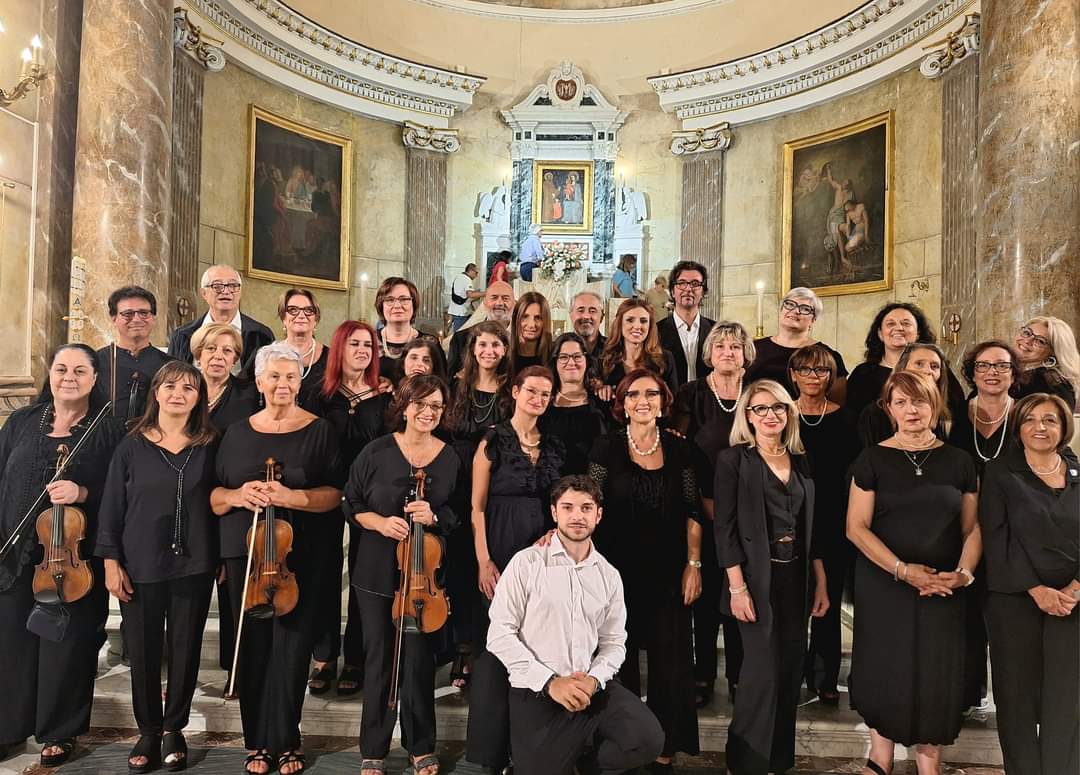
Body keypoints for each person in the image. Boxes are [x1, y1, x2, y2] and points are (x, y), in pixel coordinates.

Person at [211, 343, 343, 775]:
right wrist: (237, 494)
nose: (282, 384)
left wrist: (294, 497)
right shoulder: (236, 431)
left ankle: (287, 739)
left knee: (291, 649)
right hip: (245, 556)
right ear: (260, 381)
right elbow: (213, 496)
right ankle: (258, 743)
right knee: (252, 649)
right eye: (274, 376)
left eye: (291, 376)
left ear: (300, 381)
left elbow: (335, 496)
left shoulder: (320, 430)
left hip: (300, 556)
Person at [846, 370, 981, 775]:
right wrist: (904, 572)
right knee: (882, 667)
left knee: (937, 673)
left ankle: (929, 764)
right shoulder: (871, 458)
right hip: (885, 583)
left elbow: (972, 528)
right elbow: (855, 528)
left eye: (919, 401)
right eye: (900, 402)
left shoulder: (959, 461)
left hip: (943, 587)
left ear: (935, 405)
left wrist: (963, 573)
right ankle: (880, 759)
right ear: (888, 409)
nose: (911, 410)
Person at [486, 475, 665, 775]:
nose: (577, 516)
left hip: (589, 686)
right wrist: (550, 682)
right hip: (539, 692)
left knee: (647, 740)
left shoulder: (608, 575)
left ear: (599, 514)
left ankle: (583, 767)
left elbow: (614, 642)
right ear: (554, 513)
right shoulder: (526, 563)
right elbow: (498, 635)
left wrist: (594, 680)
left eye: (586, 508)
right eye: (568, 507)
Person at [0, 344, 122, 768]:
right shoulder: (21, 422)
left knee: (67, 644)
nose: (68, 377)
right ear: (49, 373)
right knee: (11, 642)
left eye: (80, 370)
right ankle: (9, 727)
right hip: (15, 553)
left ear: (94, 378)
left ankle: (59, 731)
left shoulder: (109, 429)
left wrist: (83, 492)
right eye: (61, 368)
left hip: (72, 557)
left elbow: (123, 493)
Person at [97, 361, 218, 772]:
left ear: (199, 397)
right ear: (156, 392)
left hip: (194, 562)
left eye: (188, 387)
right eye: (169, 386)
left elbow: (218, 503)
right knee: (145, 651)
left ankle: (174, 729)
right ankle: (148, 730)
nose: (178, 394)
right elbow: (112, 507)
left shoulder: (209, 442)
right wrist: (111, 563)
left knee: (185, 649)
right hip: (140, 561)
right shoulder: (131, 444)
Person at [344, 375, 460, 775]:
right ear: (404, 405)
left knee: (418, 662)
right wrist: (377, 521)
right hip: (376, 572)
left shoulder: (450, 457)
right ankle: (373, 747)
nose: (428, 413)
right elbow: (351, 502)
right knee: (379, 659)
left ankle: (420, 745)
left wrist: (436, 516)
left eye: (436, 407)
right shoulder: (376, 451)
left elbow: (460, 513)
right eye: (421, 404)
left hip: (424, 578)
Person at [588, 369, 703, 770]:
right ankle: (624, 740)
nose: (643, 400)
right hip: (615, 571)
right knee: (618, 662)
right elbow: (592, 508)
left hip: (670, 570)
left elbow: (692, 511)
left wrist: (694, 564)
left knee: (670, 662)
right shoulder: (605, 449)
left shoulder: (680, 450)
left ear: (662, 400)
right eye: (633, 394)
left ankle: (666, 745)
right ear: (622, 402)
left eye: (651, 393)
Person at [713, 379, 829, 775]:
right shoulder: (734, 460)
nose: (770, 415)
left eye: (778, 407)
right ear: (747, 416)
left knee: (790, 670)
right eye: (760, 408)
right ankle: (744, 763)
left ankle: (778, 763)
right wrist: (736, 588)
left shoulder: (801, 458)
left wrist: (821, 581)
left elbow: (814, 529)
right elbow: (724, 529)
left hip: (797, 579)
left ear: (789, 413)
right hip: (753, 582)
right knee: (762, 674)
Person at [466, 366, 564, 772]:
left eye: (545, 394)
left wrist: (556, 534)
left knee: (537, 648)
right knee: (494, 652)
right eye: (532, 392)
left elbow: (563, 499)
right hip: (500, 549)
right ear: (516, 392)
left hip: (542, 554)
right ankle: (489, 754)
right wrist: (484, 560)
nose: (538, 399)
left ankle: (527, 751)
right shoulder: (492, 440)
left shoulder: (555, 444)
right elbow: (477, 507)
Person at [979, 393, 1078, 775]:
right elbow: (996, 535)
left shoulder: (1077, 470)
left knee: (1067, 697)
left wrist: (1074, 588)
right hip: (1016, 599)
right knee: (1016, 697)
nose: (1041, 427)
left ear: (1063, 427)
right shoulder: (1001, 473)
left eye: (1050, 420)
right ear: (1018, 428)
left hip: (1073, 602)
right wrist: (1036, 590)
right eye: (1031, 419)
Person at [671, 321, 755, 708]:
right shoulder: (691, 394)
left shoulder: (757, 395)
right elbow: (681, 451)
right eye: (720, 345)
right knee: (704, 599)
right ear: (708, 353)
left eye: (735, 346)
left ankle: (740, 674)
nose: (727, 352)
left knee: (742, 592)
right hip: (702, 508)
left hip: (750, 512)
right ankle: (702, 673)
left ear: (745, 355)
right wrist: (704, 504)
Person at [307, 321, 389, 698]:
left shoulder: (383, 396)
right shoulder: (318, 395)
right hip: (325, 491)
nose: (362, 350)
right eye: (354, 344)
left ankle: (355, 656)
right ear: (338, 348)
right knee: (323, 571)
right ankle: (324, 655)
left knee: (362, 574)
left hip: (368, 498)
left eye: (368, 345)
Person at [787, 345, 859, 706]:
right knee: (794, 599)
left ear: (831, 377)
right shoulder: (783, 417)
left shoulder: (847, 420)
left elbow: (854, 475)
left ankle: (826, 675)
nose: (813, 377)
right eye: (806, 370)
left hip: (834, 518)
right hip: (791, 518)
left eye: (821, 371)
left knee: (827, 601)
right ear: (793, 375)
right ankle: (794, 672)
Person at [445, 321, 513, 692]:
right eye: (482, 344)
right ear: (473, 349)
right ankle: (463, 647)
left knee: (492, 566)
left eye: (496, 345)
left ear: (505, 350)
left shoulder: (511, 391)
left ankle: (493, 646)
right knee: (461, 569)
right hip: (458, 486)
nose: (489, 351)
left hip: (497, 485)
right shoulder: (458, 386)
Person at [845, 302, 963, 420]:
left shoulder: (933, 369)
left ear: (918, 333)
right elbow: (851, 417)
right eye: (890, 324)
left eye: (906, 323)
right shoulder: (863, 373)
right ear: (880, 334)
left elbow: (955, 410)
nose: (899, 328)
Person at [744, 287, 847, 403]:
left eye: (805, 309)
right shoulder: (753, 348)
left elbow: (836, 404)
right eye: (790, 304)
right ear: (781, 310)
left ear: (813, 319)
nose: (795, 311)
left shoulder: (828, 356)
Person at [167, 265, 274, 368]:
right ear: (204, 293)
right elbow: (172, 377)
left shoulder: (261, 335)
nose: (226, 291)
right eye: (217, 286)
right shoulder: (181, 336)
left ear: (240, 292)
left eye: (233, 286)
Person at [856, 342, 960, 447]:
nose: (928, 371)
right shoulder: (874, 415)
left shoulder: (947, 413)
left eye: (934, 366)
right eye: (919, 364)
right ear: (902, 368)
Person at [94, 286, 173, 421]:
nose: (136, 319)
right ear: (114, 318)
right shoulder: (95, 362)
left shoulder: (170, 366)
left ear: (153, 317)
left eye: (143, 313)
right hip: (104, 439)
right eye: (127, 314)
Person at [540, 333, 610, 475]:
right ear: (555, 362)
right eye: (564, 357)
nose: (571, 363)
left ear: (586, 360)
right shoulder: (542, 404)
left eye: (577, 356)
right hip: (549, 488)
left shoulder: (602, 401)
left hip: (592, 489)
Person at [599, 298, 678, 397]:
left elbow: (673, 401)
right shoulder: (605, 359)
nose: (637, 326)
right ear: (619, 323)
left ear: (650, 326)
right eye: (630, 320)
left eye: (643, 321)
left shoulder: (665, 359)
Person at [191, 324, 259, 434]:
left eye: (227, 350)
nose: (218, 356)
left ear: (234, 360)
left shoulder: (251, 394)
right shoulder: (183, 390)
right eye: (211, 348)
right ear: (198, 356)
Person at [657, 260, 716, 386]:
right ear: (672, 291)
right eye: (682, 283)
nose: (688, 289)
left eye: (695, 284)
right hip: (671, 401)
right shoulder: (656, 331)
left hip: (707, 400)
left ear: (703, 292)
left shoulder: (716, 330)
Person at [273, 288, 328, 409]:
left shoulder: (333, 358)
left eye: (309, 310)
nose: (301, 315)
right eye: (293, 310)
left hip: (319, 426)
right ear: (283, 317)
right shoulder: (267, 356)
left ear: (316, 319)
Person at [446, 281, 514, 378]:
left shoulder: (523, 339)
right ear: (485, 303)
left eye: (505, 298)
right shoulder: (461, 339)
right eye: (494, 298)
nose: (499, 303)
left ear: (514, 303)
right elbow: (450, 381)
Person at [1013, 316, 1079, 410]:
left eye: (1040, 341)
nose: (1027, 341)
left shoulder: (1044, 383)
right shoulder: (1018, 372)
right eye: (1027, 333)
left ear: (1053, 353)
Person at [375, 277, 425, 377]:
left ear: (414, 304)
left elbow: (440, 385)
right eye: (390, 300)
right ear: (381, 305)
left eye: (404, 299)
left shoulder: (429, 342)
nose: (397, 305)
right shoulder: (368, 341)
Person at [509, 291, 553, 375]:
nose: (531, 324)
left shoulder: (554, 356)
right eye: (525, 317)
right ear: (516, 319)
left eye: (538, 318)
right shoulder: (504, 355)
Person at [569, 290, 607, 361]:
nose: (586, 316)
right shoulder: (558, 348)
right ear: (571, 315)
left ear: (602, 317)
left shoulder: (613, 349)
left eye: (592, 311)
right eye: (580, 310)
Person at [448, 263, 484, 332]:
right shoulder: (467, 279)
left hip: (454, 310)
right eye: (476, 273)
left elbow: (462, 294)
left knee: (456, 332)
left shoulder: (459, 276)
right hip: (461, 312)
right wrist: (486, 293)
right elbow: (470, 295)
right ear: (471, 270)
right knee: (459, 334)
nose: (476, 275)